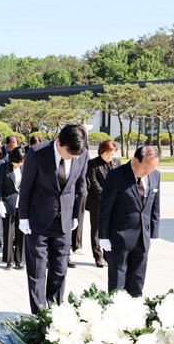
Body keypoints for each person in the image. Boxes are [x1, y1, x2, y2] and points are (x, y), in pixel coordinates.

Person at [18, 124, 89, 314]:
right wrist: (23, 217)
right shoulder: (37, 153)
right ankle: (40, 313)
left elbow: (80, 188)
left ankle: (54, 310)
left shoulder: (82, 155)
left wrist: (75, 215)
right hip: (38, 221)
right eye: (68, 154)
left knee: (59, 270)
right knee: (37, 271)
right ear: (59, 142)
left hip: (64, 221)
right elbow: (25, 187)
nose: (71, 158)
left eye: (75, 156)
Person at [99, 146, 160, 297]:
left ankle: (135, 310)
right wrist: (103, 236)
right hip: (119, 236)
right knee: (118, 283)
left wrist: (154, 234)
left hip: (143, 237)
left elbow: (155, 207)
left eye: (152, 168)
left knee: (137, 281)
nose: (148, 172)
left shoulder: (155, 175)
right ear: (134, 161)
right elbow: (105, 208)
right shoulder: (116, 175)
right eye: (146, 168)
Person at [85, 139, 121, 268]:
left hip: (113, 202)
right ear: (101, 152)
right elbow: (94, 183)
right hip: (97, 201)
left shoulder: (117, 162)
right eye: (107, 154)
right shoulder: (93, 163)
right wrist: (106, 196)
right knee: (96, 230)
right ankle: (98, 256)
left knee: (110, 229)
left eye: (112, 154)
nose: (110, 157)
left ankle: (108, 254)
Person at [0, 146, 26, 270]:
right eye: (15, 162)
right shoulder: (4, 167)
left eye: (19, 163)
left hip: (23, 203)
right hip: (8, 202)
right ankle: (9, 260)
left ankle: (19, 259)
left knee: (21, 232)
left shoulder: (26, 167)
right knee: (9, 232)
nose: (16, 165)